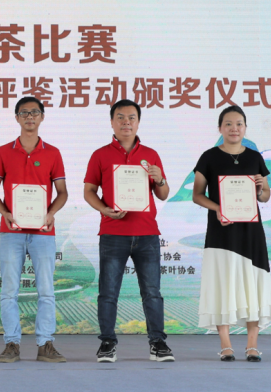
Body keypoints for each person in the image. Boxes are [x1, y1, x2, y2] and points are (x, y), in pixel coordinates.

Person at [83, 99, 174, 363]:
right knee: (108, 293)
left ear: (138, 122)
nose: (126, 122)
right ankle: (107, 343)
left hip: (147, 234)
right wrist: (104, 209)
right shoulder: (100, 155)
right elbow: (89, 191)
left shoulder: (151, 155)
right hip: (113, 233)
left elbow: (163, 194)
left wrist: (159, 178)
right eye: (120, 117)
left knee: (152, 293)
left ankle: (158, 343)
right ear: (112, 122)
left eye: (131, 117)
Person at [191, 105, 271, 362]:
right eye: (228, 124)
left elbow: (265, 196)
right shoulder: (208, 157)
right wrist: (218, 208)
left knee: (253, 284)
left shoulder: (255, 157)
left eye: (239, 124)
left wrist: (261, 189)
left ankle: (252, 345)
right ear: (220, 128)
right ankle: (226, 344)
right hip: (221, 232)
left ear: (245, 128)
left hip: (251, 231)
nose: (234, 128)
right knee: (222, 284)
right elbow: (197, 195)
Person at [0, 96, 68, 363]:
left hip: (43, 232)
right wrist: (5, 213)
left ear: (42, 117)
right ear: (17, 118)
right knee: (9, 290)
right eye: (24, 113)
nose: (29, 117)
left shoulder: (53, 153)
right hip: (11, 231)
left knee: (46, 290)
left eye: (34, 112)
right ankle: (11, 343)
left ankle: (45, 344)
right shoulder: (3, 152)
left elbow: (62, 192)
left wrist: (51, 213)